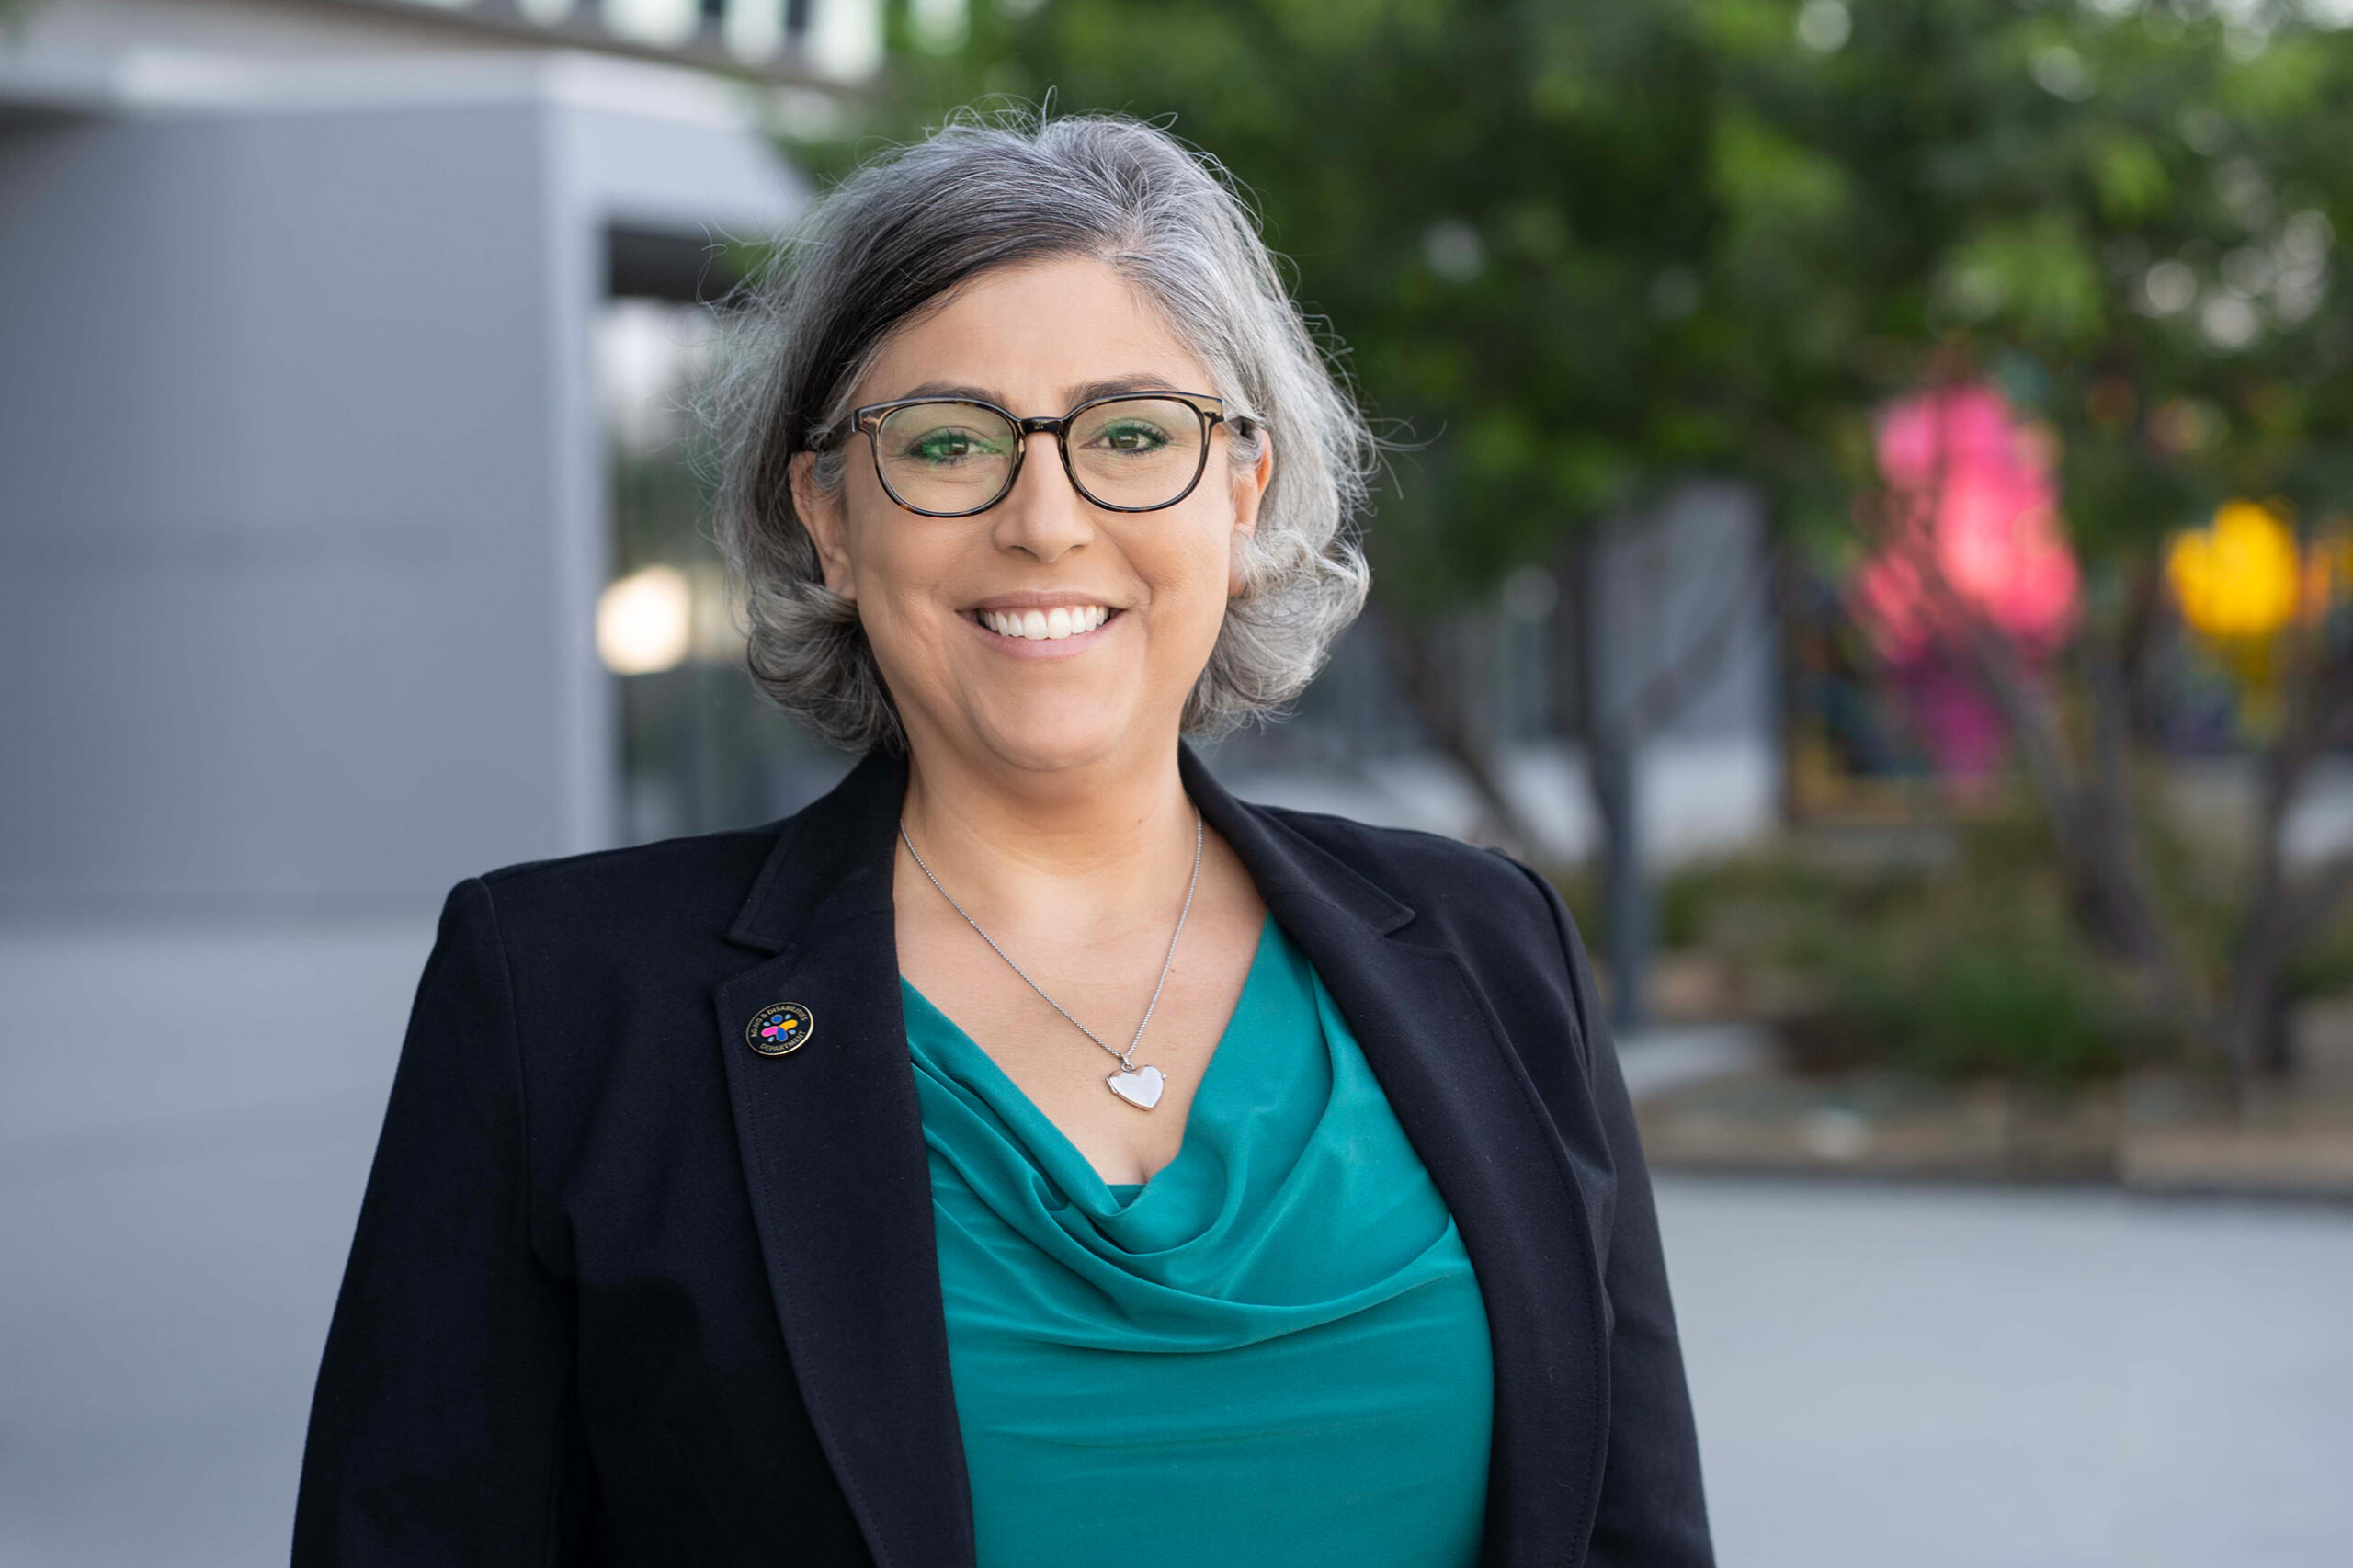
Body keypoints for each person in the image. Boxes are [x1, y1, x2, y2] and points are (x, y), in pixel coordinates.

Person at [293, 110, 1711, 1568]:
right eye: (949, 442)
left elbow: (1633, 1534)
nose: (1046, 519)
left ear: (1243, 493)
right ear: (831, 519)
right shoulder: (560, 1001)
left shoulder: (1491, 947)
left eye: (1135, 434)